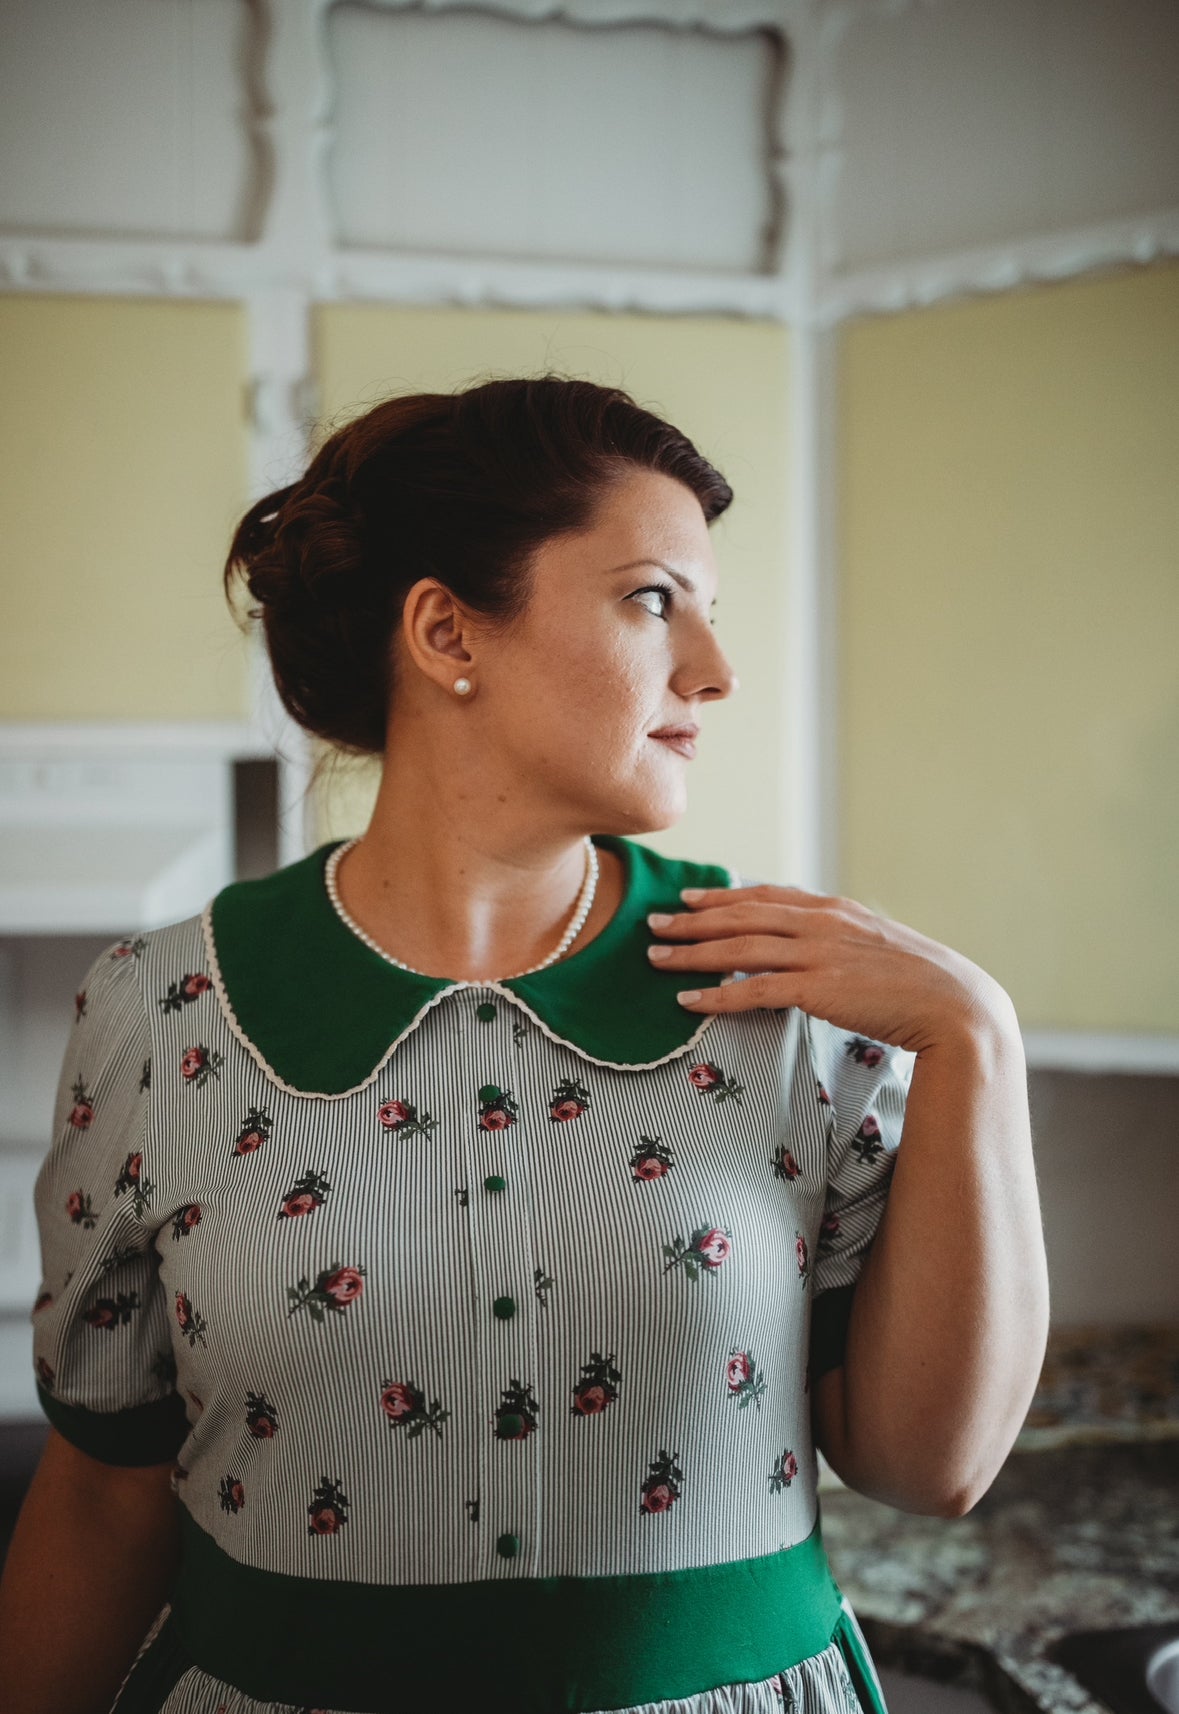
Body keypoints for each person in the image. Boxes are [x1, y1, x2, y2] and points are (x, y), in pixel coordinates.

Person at [0, 375, 1048, 1714]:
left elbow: (932, 1463)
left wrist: (977, 1039)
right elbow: (99, 1497)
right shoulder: (161, 1011)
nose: (714, 670)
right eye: (654, 598)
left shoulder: (795, 1000)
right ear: (446, 630)